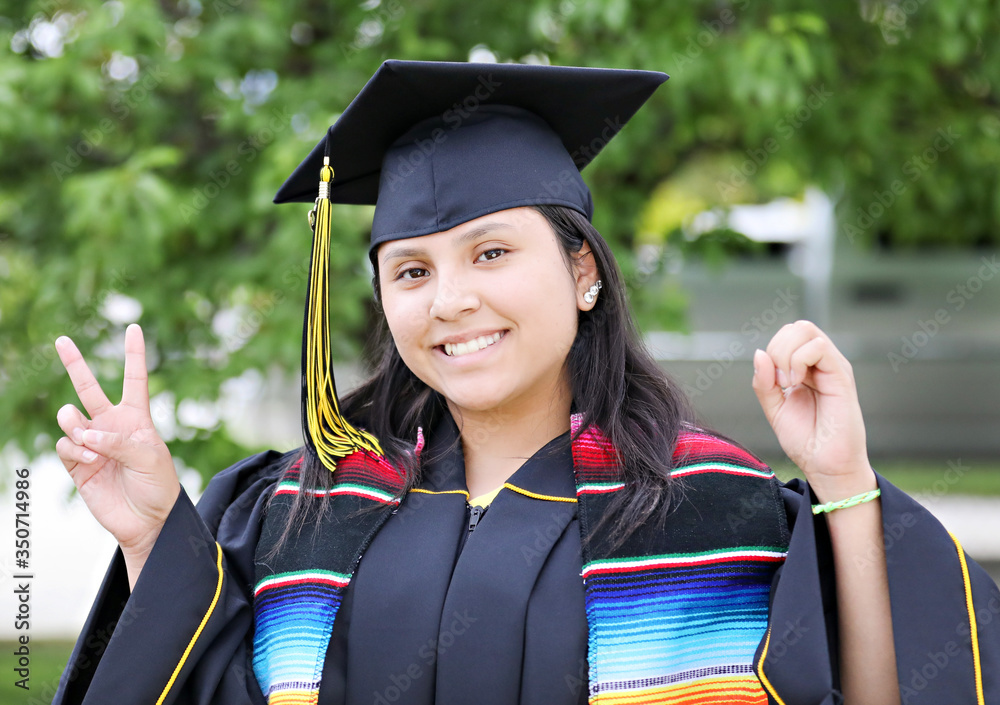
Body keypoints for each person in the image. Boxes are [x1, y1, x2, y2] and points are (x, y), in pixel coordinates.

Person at [51, 60, 998, 705]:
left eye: (492, 251)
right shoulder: (306, 504)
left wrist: (842, 482)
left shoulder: (704, 504)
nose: (450, 299)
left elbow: (874, 689)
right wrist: (151, 536)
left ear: (583, 270)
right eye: (412, 271)